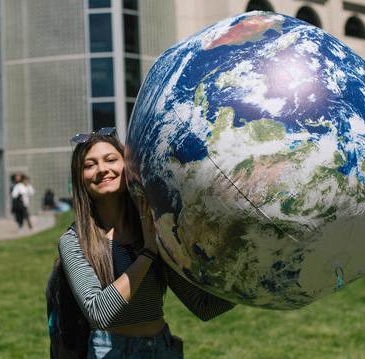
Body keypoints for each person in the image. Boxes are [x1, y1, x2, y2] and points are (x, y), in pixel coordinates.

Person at [58, 128, 235, 358]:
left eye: (111, 159)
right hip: (111, 352)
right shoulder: (74, 241)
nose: (102, 169)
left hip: (161, 347)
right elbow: (99, 313)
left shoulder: (152, 227)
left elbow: (204, 306)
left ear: (127, 166)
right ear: (80, 178)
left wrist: (249, 273)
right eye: (89, 165)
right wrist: (148, 252)